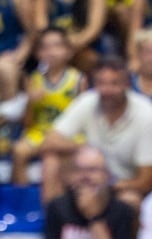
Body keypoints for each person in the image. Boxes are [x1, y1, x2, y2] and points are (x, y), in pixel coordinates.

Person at [40, 55, 152, 206]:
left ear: (127, 85)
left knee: (130, 200)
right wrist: (85, 148)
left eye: (114, 83)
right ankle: (54, 218)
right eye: (101, 83)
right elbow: (48, 142)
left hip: (123, 184)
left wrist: (106, 186)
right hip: (89, 176)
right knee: (51, 161)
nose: (107, 90)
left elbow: (146, 181)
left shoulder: (146, 114)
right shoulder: (88, 100)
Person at [11, 27, 85, 186]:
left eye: (57, 46)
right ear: (38, 53)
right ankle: (23, 196)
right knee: (18, 151)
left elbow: (85, 117)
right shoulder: (33, 80)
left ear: (69, 51)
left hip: (69, 134)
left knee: (67, 151)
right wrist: (30, 102)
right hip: (40, 132)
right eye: (45, 47)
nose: (51, 52)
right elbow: (27, 124)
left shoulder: (78, 79)